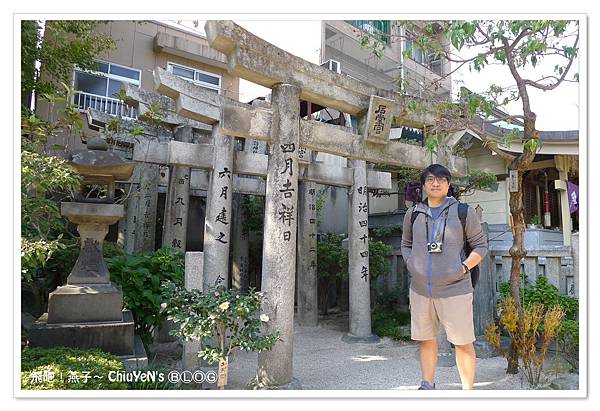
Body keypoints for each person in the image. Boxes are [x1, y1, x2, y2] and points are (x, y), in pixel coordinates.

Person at [401, 164, 488, 390]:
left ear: (449, 185)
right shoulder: (413, 214)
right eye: (430, 179)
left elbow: (480, 246)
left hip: (455, 290)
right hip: (421, 290)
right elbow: (406, 244)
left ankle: (468, 391)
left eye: (441, 179)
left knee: (462, 342)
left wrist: (462, 269)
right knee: (427, 339)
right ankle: (427, 384)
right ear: (423, 185)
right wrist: (412, 265)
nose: (436, 183)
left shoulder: (463, 212)